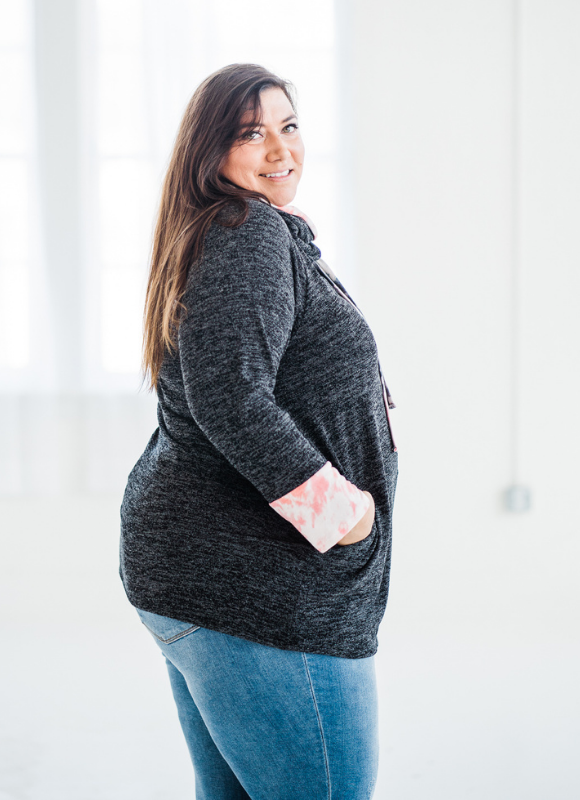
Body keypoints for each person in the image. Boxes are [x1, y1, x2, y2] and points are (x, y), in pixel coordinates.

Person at [119, 63, 399, 800]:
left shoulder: (243, 231)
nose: (281, 149)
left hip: (210, 577)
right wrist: (342, 516)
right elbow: (230, 398)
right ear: (210, 152)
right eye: (251, 134)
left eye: (289, 126)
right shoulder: (247, 232)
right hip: (255, 590)